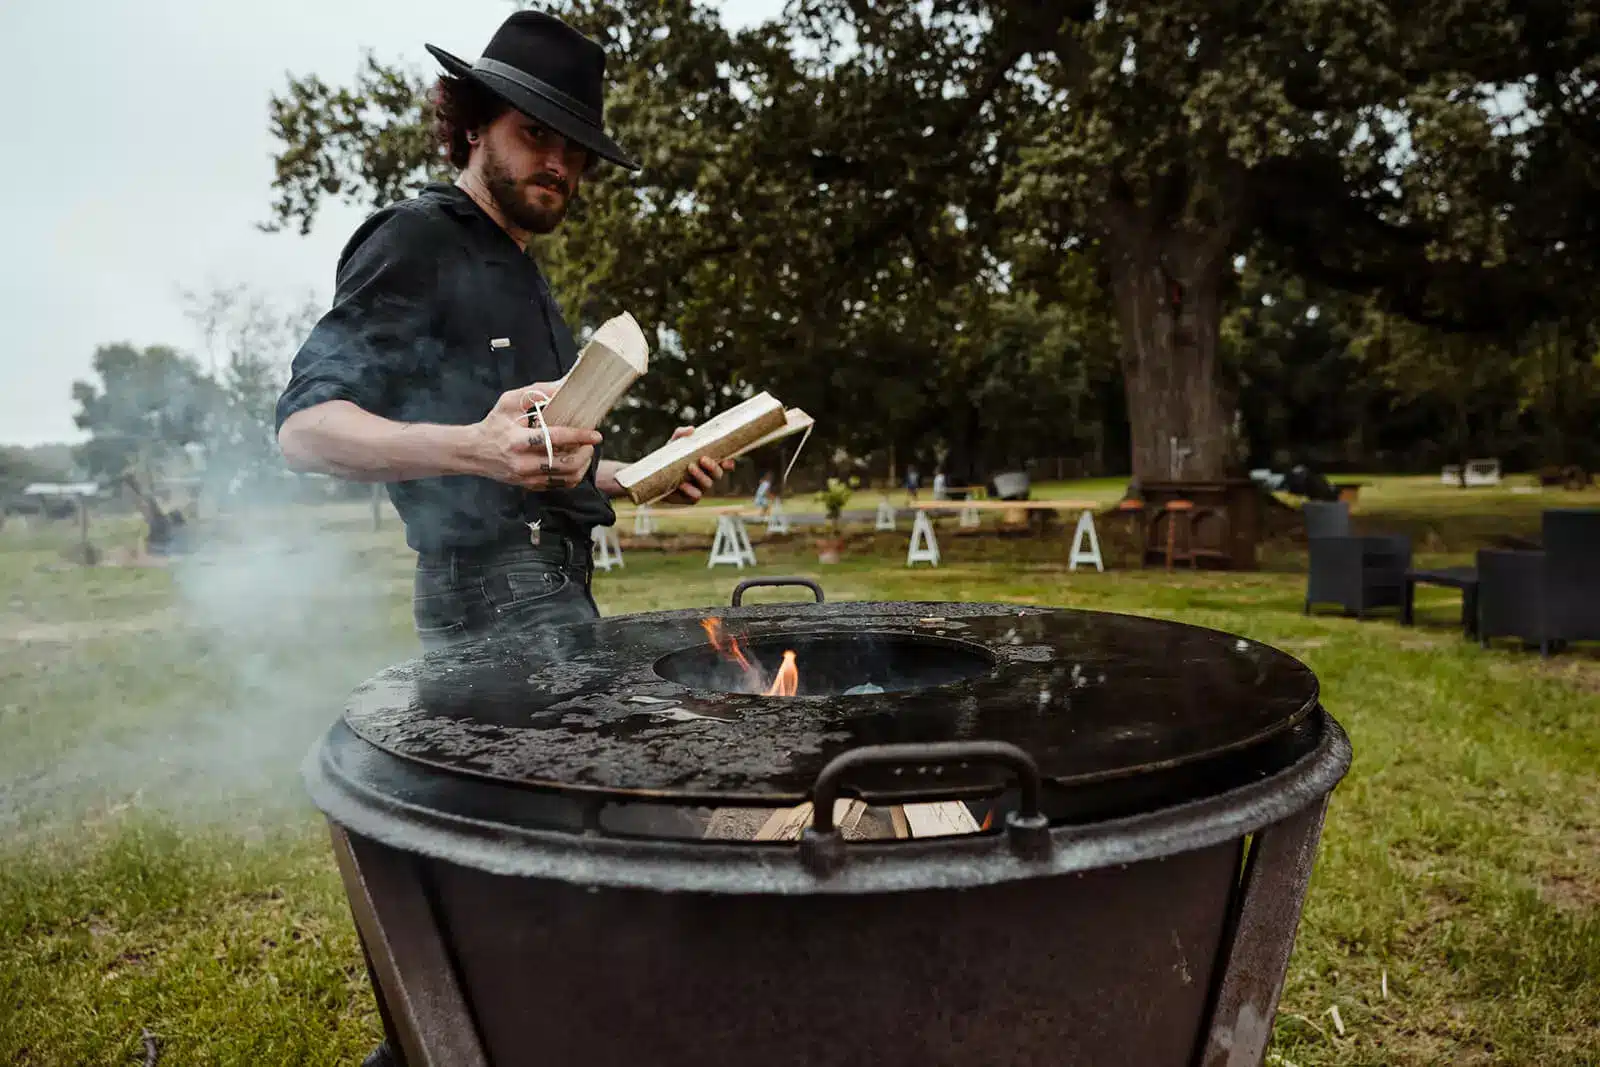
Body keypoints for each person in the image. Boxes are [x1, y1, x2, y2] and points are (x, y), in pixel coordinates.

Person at [274, 11, 732, 658]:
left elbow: (524, 458)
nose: (556, 164)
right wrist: (476, 448)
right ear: (472, 126)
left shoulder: (519, 266)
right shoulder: (418, 237)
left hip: (554, 582)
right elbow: (303, 432)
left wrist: (639, 475)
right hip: (489, 596)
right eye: (535, 134)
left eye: (574, 150)